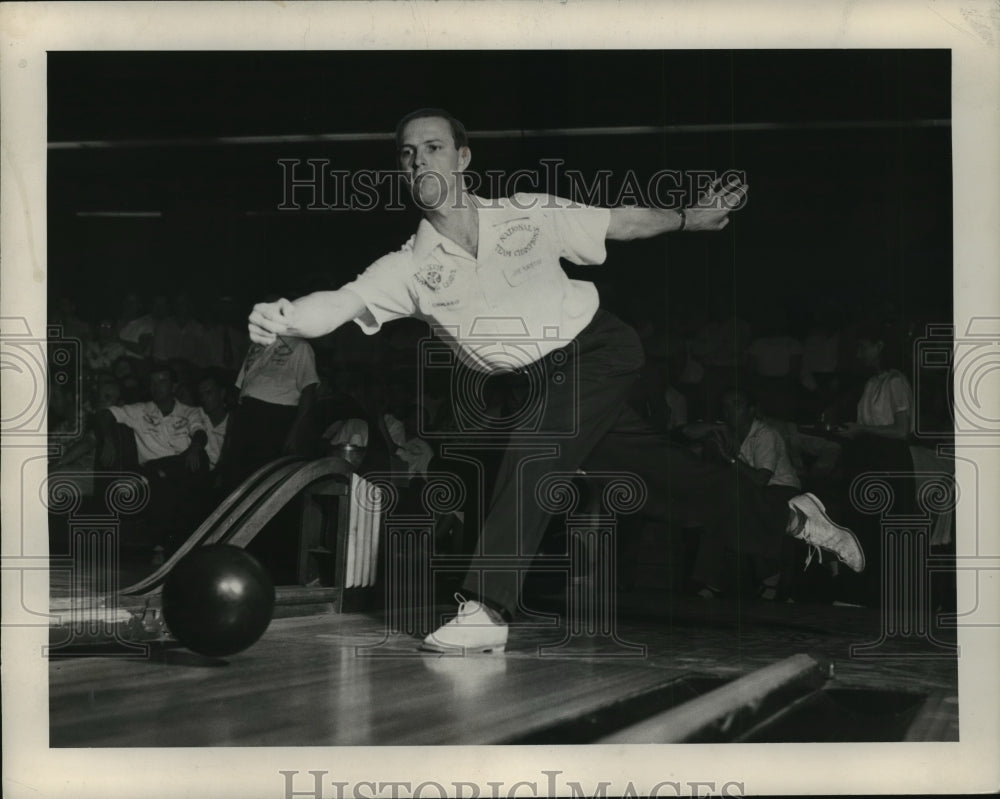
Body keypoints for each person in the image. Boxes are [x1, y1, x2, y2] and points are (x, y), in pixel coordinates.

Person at [248, 108, 859, 654]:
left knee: (538, 452)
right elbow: (340, 301)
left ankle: (486, 609)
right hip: (532, 386)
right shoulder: (408, 266)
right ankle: (793, 516)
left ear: (462, 158)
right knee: (666, 479)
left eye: (432, 147)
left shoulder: (528, 213)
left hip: (597, 351)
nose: (419, 160)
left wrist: (687, 218)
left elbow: (618, 223)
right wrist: (289, 316)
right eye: (407, 153)